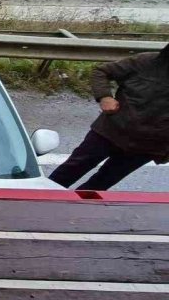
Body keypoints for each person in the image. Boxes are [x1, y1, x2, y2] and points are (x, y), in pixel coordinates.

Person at [49, 44, 169, 190]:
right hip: (109, 132)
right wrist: (105, 97)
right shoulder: (146, 61)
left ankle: (73, 210)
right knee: (68, 171)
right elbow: (101, 71)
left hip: (149, 147)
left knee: (99, 185)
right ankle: (37, 203)